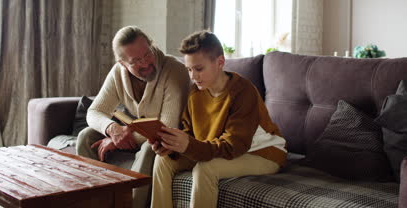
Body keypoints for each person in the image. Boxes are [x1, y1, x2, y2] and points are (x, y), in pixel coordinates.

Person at [150, 31, 287, 208]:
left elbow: (234, 145)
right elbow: (190, 133)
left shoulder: (242, 92)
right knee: (163, 161)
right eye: (189, 69)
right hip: (220, 148)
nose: (193, 76)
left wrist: (189, 145)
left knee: (205, 169)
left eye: (199, 69)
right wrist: (171, 146)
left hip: (262, 154)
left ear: (220, 62)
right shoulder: (195, 92)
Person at [76, 26, 190, 208]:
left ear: (151, 46)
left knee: (148, 149)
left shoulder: (174, 71)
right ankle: (96, 202)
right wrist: (112, 130)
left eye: (147, 54)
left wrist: (119, 139)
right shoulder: (117, 73)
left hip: (166, 141)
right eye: (136, 61)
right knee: (85, 137)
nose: (145, 64)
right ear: (122, 63)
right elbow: (94, 111)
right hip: (138, 134)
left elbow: (167, 128)